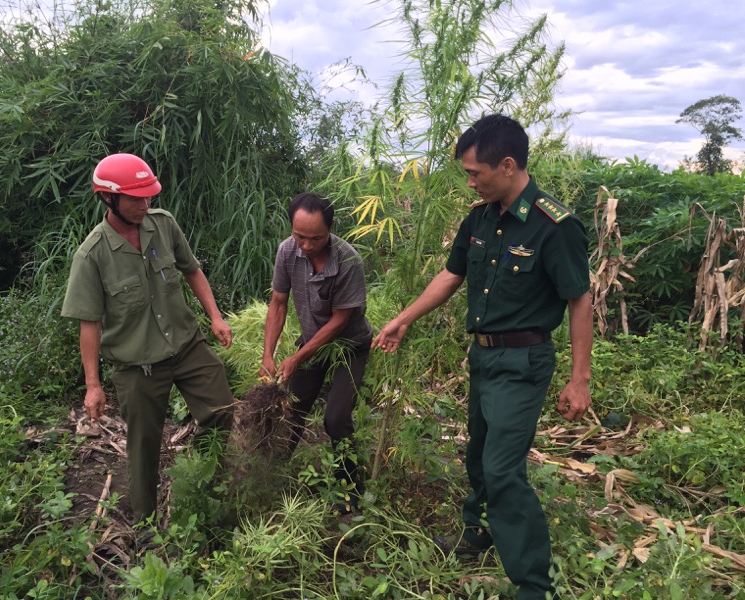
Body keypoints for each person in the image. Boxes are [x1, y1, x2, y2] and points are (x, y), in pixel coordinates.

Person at [372, 115, 592, 599]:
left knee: (502, 469)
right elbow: (451, 276)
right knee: (478, 452)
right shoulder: (481, 218)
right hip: (484, 357)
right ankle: (478, 531)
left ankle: (535, 584)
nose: (470, 181)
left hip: (524, 361)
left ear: (508, 165)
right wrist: (405, 318)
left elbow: (579, 299)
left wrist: (580, 378)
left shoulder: (554, 225)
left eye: (475, 173)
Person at [61, 153, 235, 525]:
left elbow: (192, 271)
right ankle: (144, 522)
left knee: (221, 409)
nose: (144, 205)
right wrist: (92, 385)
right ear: (108, 198)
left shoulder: (163, 225)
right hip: (137, 366)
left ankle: (211, 484)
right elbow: (88, 324)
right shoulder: (91, 255)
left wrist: (216, 317)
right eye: (135, 199)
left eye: (148, 197)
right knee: (143, 446)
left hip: (187, 346)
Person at [260, 192, 372, 513]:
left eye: (316, 238)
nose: (306, 245)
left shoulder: (348, 260)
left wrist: (297, 357)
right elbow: (278, 303)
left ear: (331, 228)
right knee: (291, 409)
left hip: (349, 346)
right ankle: (270, 476)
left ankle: (350, 489)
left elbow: (340, 321)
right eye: (299, 236)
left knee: (336, 418)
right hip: (311, 341)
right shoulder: (287, 251)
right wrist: (268, 353)